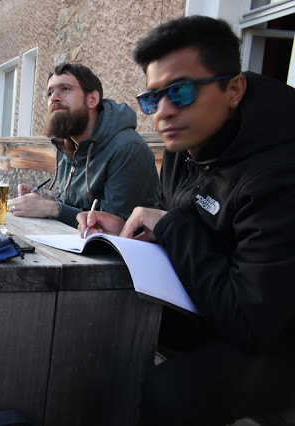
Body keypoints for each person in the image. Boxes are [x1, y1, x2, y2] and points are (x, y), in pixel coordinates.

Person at [78, 16, 295, 425]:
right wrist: (132, 229)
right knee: (95, 324)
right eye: (152, 98)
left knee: (168, 393)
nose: (163, 113)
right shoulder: (184, 147)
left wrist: (170, 227)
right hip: (207, 302)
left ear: (234, 90)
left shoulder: (278, 172)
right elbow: (180, 223)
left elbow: (251, 320)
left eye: (180, 91)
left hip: (273, 340)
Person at [6, 63, 159, 228]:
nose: (54, 98)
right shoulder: (67, 145)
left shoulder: (127, 148)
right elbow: (72, 206)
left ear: (92, 99)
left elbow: (115, 228)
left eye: (65, 89)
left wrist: (54, 208)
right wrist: (41, 202)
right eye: (50, 92)